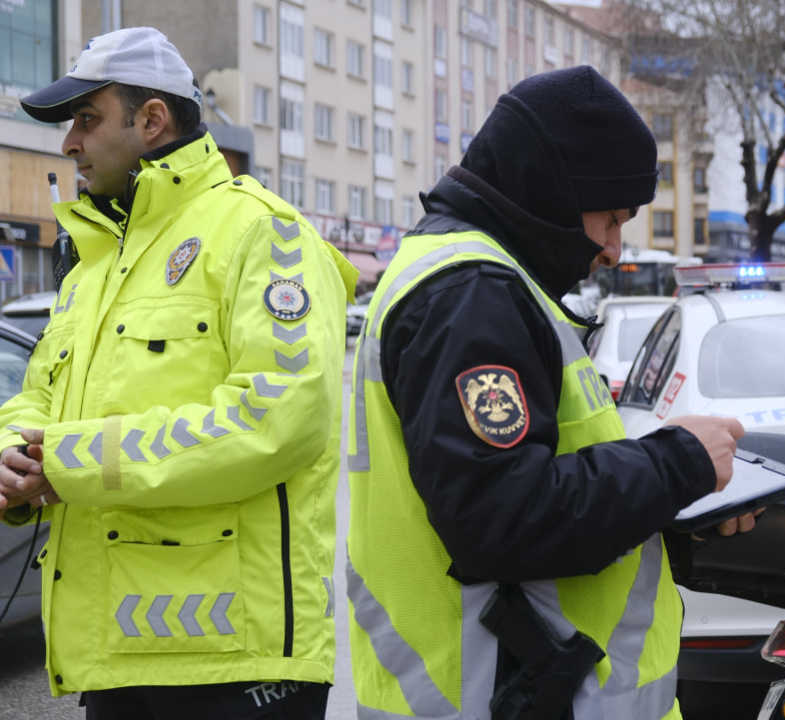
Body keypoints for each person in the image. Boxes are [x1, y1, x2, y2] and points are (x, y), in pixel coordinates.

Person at [345, 66, 747, 720]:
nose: (614, 249)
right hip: (506, 697)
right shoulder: (470, 294)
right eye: (610, 218)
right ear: (555, 190)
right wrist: (676, 462)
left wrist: (675, 508)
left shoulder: (487, 283)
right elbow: (502, 518)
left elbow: (525, 490)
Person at [0, 27, 356, 717]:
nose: (70, 143)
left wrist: (65, 462)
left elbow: (277, 420)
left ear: (152, 120)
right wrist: (15, 453)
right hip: (112, 656)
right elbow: (37, 397)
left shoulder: (264, 232)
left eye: (87, 119)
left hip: (236, 661)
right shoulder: (94, 264)